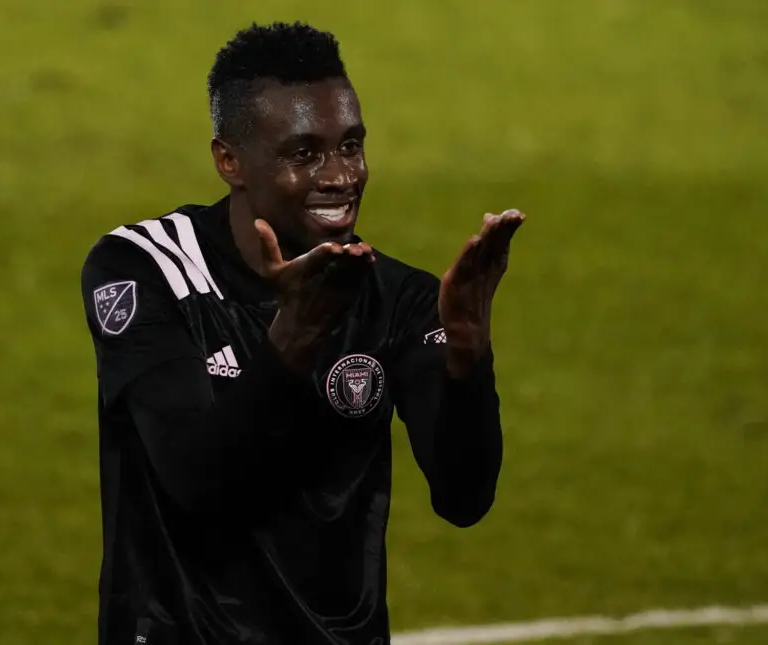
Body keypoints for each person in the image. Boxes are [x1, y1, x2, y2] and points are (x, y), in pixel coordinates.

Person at [79, 20, 526, 645]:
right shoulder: (148, 269)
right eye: (304, 154)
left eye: (351, 146)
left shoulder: (397, 299)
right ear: (230, 161)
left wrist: (469, 356)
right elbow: (195, 483)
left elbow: (464, 497)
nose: (341, 175)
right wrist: (295, 335)